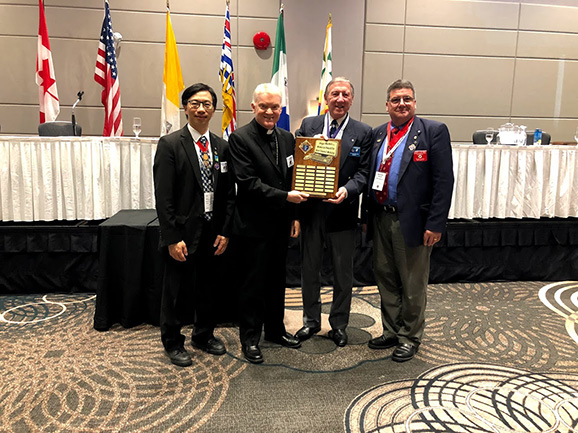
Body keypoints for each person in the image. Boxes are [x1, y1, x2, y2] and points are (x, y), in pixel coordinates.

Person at [365, 79, 454, 362]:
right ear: (387, 105)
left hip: (413, 221)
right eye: (396, 100)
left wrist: (435, 224)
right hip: (381, 217)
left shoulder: (433, 132)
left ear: (414, 103)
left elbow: (444, 182)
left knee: (412, 281)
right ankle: (391, 330)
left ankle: (410, 336)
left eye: (407, 99)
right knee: (386, 277)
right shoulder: (378, 134)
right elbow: (370, 175)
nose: (401, 104)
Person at [153, 83, 235, 367]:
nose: (201, 109)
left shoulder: (223, 147)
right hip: (182, 233)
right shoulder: (170, 144)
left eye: (207, 104)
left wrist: (225, 230)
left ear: (214, 109)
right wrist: (172, 237)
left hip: (213, 231)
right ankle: (172, 342)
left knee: (208, 288)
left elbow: (228, 194)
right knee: (175, 292)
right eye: (195, 103)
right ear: (185, 108)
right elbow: (163, 197)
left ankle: (203, 335)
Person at [228, 83, 308, 364]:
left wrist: (295, 215)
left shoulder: (287, 138)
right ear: (254, 107)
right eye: (264, 106)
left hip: (281, 224)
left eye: (275, 107)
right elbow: (248, 184)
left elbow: (292, 177)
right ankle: (250, 338)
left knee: (276, 281)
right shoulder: (240, 138)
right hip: (253, 226)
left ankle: (275, 331)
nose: (270, 112)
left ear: (281, 108)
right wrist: (287, 197)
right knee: (252, 284)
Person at [294, 77, 372, 347]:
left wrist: (348, 190)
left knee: (343, 274)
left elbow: (364, 172)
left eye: (345, 94)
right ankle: (310, 322)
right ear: (325, 98)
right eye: (335, 93)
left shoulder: (363, 132)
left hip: (343, 213)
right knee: (309, 270)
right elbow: (296, 162)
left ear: (352, 99)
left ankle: (339, 325)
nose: (340, 99)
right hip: (312, 212)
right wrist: (309, 147)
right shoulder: (309, 125)